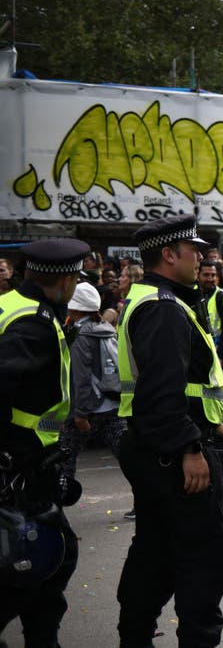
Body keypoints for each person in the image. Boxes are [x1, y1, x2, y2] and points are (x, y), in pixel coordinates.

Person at [115, 215, 223, 647]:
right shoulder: (164, 308)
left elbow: (179, 380)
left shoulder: (154, 298)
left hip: (153, 446)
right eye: (194, 251)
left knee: (156, 551)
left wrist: (210, 421)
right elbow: (161, 390)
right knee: (203, 561)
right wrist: (189, 445)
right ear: (170, 254)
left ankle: (134, 634)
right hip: (171, 453)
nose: (202, 257)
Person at [0, 238, 89, 647]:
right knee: (40, 563)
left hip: (25, 464)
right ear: (66, 280)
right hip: (23, 466)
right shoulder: (33, 322)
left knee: (39, 563)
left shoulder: (10, 305)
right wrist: (14, 454)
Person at [60, 282, 125, 487]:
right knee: (126, 455)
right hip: (111, 402)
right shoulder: (105, 328)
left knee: (65, 459)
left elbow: (81, 376)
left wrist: (80, 413)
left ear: (75, 307)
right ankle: (146, 499)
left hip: (88, 407)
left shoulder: (79, 335)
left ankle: (58, 502)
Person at [198, 259, 223, 346]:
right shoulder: (190, 295)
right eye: (206, 275)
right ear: (197, 275)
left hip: (216, 351)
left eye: (213, 275)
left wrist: (221, 355)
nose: (210, 279)